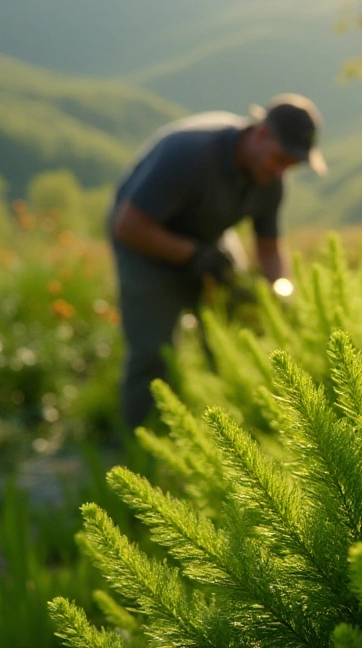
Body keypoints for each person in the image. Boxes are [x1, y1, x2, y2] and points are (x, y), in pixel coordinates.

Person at [107, 94, 327, 428]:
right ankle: (140, 446)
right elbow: (128, 226)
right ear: (261, 133)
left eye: (292, 165)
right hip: (144, 243)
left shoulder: (271, 180)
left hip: (209, 240)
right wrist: (193, 255)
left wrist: (282, 295)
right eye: (280, 159)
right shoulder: (189, 154)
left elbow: (269, 250)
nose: (282, 171)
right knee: (153, 353)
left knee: (232, 334)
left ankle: (227, 425)